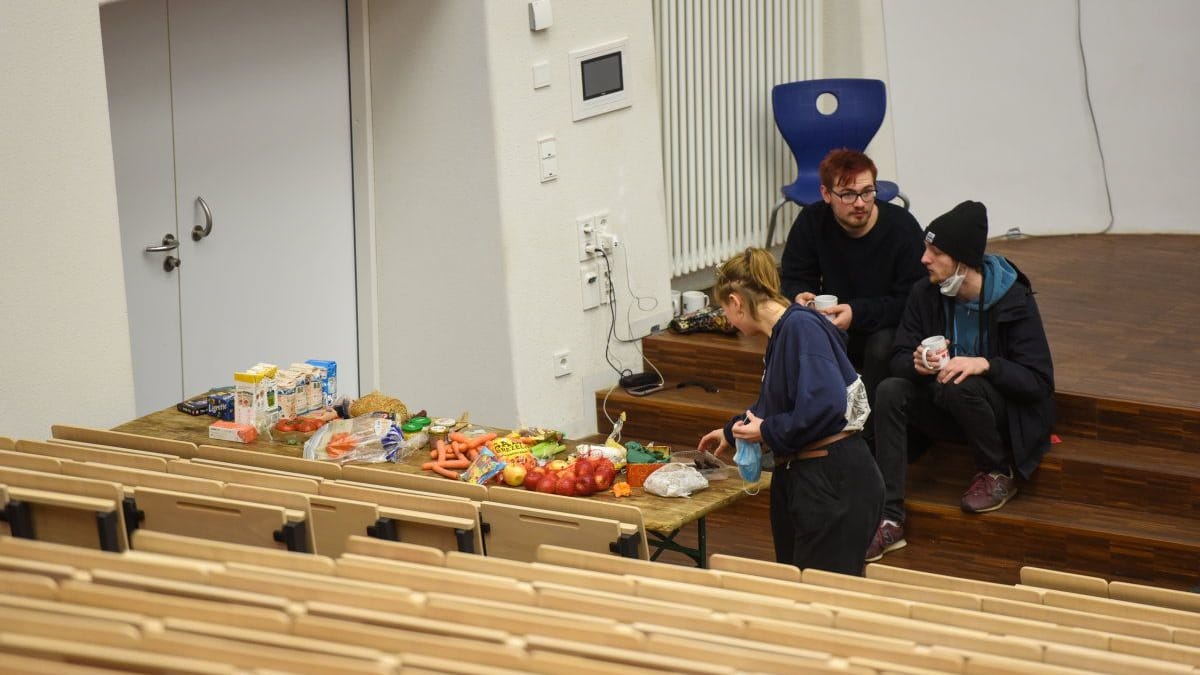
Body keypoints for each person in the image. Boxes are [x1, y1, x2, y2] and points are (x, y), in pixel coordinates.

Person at [867, 200, 1054, 561]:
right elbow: (898, 357)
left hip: (999, 414)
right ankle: (889, 516)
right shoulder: (926, 293)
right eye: (926, 248)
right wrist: (917, 362)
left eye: (935, 252)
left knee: (960, 381)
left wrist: (986, 364)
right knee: (891, 389)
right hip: (944, 405)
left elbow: (1039, 383)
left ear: (962, 262)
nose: (924, 259)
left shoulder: (1013, 300)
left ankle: (998, 472)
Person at [698, 247, 884, 575]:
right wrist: (732, 430)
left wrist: (765, 432)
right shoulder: (785, 332)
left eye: (724, 308)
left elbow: (825, 406)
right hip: (808, 476)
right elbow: (777, 406)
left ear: (737, 301)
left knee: (821, 600)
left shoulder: (800, 328)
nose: (726, 318)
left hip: (833, 479)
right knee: (797, 588)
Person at [779, 149, 926, 415]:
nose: (860, 203)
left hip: (888, 324)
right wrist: (801, 295)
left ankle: (865, 428)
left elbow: (913, 300)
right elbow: (793, 276)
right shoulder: (813, 222)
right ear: (826, 194)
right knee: (791, 329)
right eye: (848, 194)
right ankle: (796, 423)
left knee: (881, 346)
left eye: (868, 192)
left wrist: (856, 313)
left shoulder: (902, 228)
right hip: (834, 323)